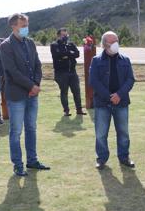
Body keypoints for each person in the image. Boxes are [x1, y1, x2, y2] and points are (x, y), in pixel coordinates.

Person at [0, 13, 50, 176]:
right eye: (23, 25)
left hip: (32, 94)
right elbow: (12, 72)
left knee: (31, 128)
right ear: (14, 26)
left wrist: (36, 84)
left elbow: (37, 65)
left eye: (27, 25)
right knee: (16, 131)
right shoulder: (6, 46)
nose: (26, 28)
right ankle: (18, 164)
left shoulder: (30, 43)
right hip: (16, 95)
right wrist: (31, 86)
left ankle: (32, 160)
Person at [89, 31, 136, 170]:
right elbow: (94, 81)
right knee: (101, 133)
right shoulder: (96, 61)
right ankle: (101, 158)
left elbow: (130, 79)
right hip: (102, 103)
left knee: (123, 132)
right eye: (112, 41)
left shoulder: (125, 60)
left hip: (121, 102)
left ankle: (124, 157)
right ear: (104, 45)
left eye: (117, 40)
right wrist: (109, 96)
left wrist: (119, 95)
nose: (116, 43)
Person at [50, 28, 86, 116]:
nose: (65, 37)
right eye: (63, 35)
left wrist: (67, 54)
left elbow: (77, 54)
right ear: (58, 36)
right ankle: (66, 111)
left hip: (72, 72)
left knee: (76, 91)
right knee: (64, 92)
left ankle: (79, 110)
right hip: (61, 73)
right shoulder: (54, 45)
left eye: (66, 35)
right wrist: (69, 54)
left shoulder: (71, 44)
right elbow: (57, 55)